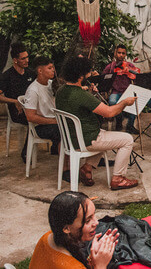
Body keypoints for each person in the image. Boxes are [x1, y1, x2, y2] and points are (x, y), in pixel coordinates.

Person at [56, 57, 139, 190]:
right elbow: (109, 112)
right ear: (80, 75)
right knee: (127, 140)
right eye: (87, 73)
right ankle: (118, 178)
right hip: (87, 140)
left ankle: (87, 168)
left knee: (105, 135)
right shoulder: (80, 94)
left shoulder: (61, 91)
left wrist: (89, 93)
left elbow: (78, 105)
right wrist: (124, 103)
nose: (89, 76)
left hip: (70, 139)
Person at [30, 191, 119, 269]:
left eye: (94, 214)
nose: (96, 222)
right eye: (87, 220)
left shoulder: (47, 237)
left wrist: (92, 259)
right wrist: (100, 265)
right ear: (66, 228)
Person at [0, 42, 34, 160]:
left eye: (27, 57)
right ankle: (26, 152)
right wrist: (14, 101)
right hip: (17, 112)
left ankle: (55, 146)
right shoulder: (7, 76)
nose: (27, 60)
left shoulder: (30, 73)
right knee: (34, 120)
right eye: (23, 58)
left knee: (50, 117)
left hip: (30, 108)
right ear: (15, 60)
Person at [22, 56, 61, 156]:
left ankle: (59, 150)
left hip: (53, 121)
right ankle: (65, 164)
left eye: (53, 67)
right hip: (40, 127)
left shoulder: (52, 84)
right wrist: (54, 121)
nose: (53, 70)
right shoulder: (33, 90)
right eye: (49, 68)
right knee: (65, 130)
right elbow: (30, 117)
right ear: (40, 70)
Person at [102, 45, 139, 134]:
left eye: (123, 53)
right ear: (115, 53)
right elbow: (103, 77)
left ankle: (129, 126)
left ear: (125, 55)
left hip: (127, 92)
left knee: (135, 104)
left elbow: (137, 74)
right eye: (119, 53)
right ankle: (119, 120)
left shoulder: (129, 65)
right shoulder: (111, 66)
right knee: (112, 102)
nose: (121, 55)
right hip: (116, 91)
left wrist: (129, 71)